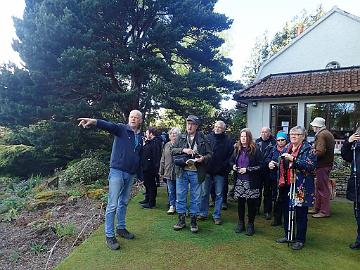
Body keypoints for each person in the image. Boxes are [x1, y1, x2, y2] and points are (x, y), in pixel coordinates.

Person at [77, 110, 143, 251]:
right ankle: (109, 235)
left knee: (124, 202)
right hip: (117, 171)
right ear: (128, 118)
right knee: (112, 204)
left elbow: (138, 154)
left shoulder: (140, 136)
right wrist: (94, 121)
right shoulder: (121, 128)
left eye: (136, 118)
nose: (133, 119)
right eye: (131, 116)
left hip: (130, 174)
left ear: (140, 121)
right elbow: (108, 125)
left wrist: (138, 172)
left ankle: (121, 228)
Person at [275, 126, 316, 250]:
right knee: (287, 211)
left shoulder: (309, 149)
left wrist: (294, 159)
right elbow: (284, 165)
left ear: (303, 136)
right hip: (286, 184)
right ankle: (288, 235)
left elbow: (310, 166)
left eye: (296, 134)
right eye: (291, 134)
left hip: (300, 187)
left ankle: (299, 239)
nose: (293, 136)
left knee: (300, 213)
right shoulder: (287, 147)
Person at [172, 115, 212, 233]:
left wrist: (202, 158)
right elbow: (172, 150)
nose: (189, 126)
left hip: (197, 172)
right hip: (182, 171)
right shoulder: (181, 136)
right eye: (188, 123)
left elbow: (210, 155)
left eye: (192, 124)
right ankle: (181, 220)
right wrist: (184, 150)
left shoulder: (203, 138)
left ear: (197, 126)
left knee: (196, 197)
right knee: (180, 196)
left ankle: (194, 221)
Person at [198, 121, 234, 225]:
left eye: (219, 127)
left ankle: (217, 215)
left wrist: (224, 167)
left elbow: (230, 156)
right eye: (216, 127)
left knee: (219, 195)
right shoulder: (208, 138)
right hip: (208, 170)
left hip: (220, 172)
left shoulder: (228, 141)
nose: (217, 129)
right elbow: (203, 152)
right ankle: (203, 213)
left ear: (224, 129)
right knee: (204, 193)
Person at [233, 128, 263, 236]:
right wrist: (233, 166)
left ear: (249, 137)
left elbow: (261, 166)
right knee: (240, 203)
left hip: (252, 181)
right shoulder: (237, 149)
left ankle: (250, 224)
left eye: (245, 137)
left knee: (251, 204)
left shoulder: (255, 149)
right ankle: (241, 223)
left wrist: (247, 169)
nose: (243, 139)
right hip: (240, 181)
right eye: (241, 136)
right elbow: (231, 160)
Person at [310, 117, 335, 218]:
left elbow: (319, 151)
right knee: (320, 187)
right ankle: (318, 208)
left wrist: (311, 154)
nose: (312, 128)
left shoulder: (321, 135)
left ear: (317, 126)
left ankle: (324, 211)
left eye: (313, 126)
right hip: (326, 164)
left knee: (322, 188)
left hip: (322, 165)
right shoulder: (327, 133)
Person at [341, 127, 360, 249]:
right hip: (356, 184)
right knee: (358, 214)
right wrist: (348, 142)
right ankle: (359, 240)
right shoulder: (355, 147)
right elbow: (345, 155)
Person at [266, 131, 288, 226]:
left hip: (286, 178)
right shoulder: (272, 149)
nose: (280, 142)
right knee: (276, 198)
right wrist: (269, 163)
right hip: (274, 177)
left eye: (282, 140)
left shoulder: (289, 150)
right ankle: (277, 219)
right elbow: (266, 158)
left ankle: (286, 219)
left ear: (286, 140)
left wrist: (279, 165)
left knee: (285, 199)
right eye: (278, 140)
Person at [159, 127, 181, 214]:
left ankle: (180, 207)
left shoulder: (181, 144)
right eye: (171, 133)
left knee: (180, 191)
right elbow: (163, 158)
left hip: (179, 171)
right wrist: (161, 170)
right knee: (171, 190)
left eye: (174, 133)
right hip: (168, 171)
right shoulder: (167, 145)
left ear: (178, 135)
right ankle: (172, 206)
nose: (172, 135)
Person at [255, 127, 276, 219]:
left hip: (268, 171)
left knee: (268, 192)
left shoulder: (274, 143)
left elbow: (274, 156)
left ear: (270, 133)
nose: (263, 134)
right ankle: (256, 209)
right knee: (257, 191)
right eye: (262, 132)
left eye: (265, 132)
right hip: (258, 171)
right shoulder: (256, 142)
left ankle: (267, 211)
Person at [140, 126, 162, 209]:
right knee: (147, 183)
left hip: (150, 167)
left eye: (147, 133)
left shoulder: (155, 142)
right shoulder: (151, 142)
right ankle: (147, 198)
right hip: (147, 166)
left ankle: (151, 202)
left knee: (151, 184)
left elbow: (156, 155)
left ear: (151, 134)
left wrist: (156, 168)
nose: (146, 134)